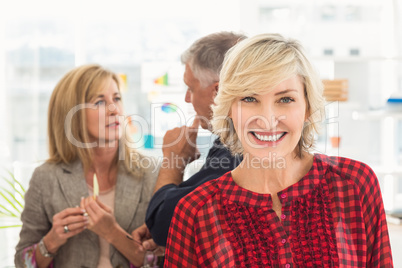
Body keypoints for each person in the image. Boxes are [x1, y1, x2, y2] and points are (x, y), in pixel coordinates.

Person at [164, 34, 393, 267]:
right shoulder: (195, 212)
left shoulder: (354, 184)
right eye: (250, 98)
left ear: (307, 108)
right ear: (229, 109)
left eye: (285, 99)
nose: (267, 120)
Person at [15, 64, 159, 268]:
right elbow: (22, 262)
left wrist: (113, 233)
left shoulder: (153, 172)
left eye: (116, 98)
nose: (114, 109)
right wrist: (52, 241)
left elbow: (165, 261)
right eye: (100, 102)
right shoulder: (46, 178)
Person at [144, 32, 246, 250]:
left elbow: (162, 225)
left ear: (218, 91)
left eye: (191, 88)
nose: (187, 98)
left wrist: (174, 159)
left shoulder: (237, 149)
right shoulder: (234, 140)